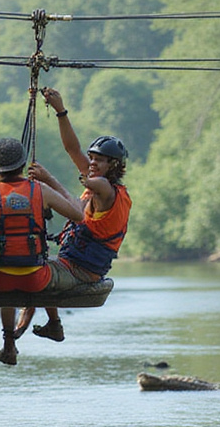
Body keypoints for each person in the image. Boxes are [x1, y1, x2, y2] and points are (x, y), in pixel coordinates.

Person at [9, 87, 132, 342]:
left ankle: (37, 329)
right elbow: (73, 150)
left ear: (114, 166)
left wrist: (48, 179)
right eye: (92, 158)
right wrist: (60, 111)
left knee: (34, 270)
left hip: (82, 271)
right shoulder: (97, 183)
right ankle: (36, 328)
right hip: (72, 263)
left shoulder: (105, 189)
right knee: (37, 262)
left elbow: (80, 197)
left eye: (100, 160)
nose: (93, 163)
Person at [0, 138, 84, 365]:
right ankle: (46, 327)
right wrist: (52, 181)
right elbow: (78, 214)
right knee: (46, 264)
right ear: (22, 165)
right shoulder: (41, 190)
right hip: (36, 279)